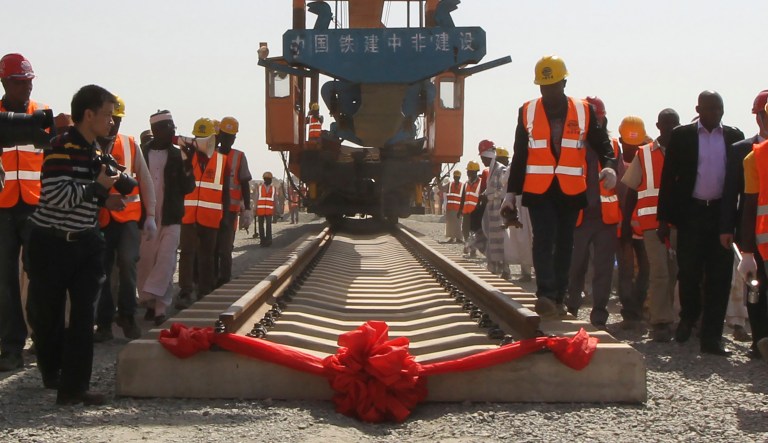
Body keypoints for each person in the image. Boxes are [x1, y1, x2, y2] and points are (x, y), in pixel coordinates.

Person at [25, 84, 122, 405]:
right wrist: (97, 189)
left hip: (86, 243)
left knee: (83, 318)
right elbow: (57, 197)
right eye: (107, 115)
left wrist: (108, 198)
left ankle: (74, 389)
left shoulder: (96, 151)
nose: (111, 121)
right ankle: (52, 373)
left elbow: (87, 194)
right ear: (88, 114)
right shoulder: (60, 147)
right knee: (47, 316)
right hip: (50, 244)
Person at [502, 55, 617, 318]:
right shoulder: (527, 111)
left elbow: (603, 144)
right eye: (544, 87)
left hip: (570, 189)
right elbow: (520, 154)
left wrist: (609, 166)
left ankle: (559, 296)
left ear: (564, 83)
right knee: (543, 239)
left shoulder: (583, 110)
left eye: (553, 86)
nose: (549, 92)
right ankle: (545, 294)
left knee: (565, 242)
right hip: (539, 188)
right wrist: (511, 193)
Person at [657, 90, 745, 356]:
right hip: (691, 214)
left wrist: (736, 222)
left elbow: (739, 183)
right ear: (698, 109)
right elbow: (668, 179)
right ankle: (688, 318)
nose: (715, 114)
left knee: (719, 278)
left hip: (721, 216)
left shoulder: (733, 137)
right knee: (689, 272)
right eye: (709, 109)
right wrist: (664, 218)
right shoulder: (683, 136)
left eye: (719, 109)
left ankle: (712, 337)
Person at [0, 53, 50, 372]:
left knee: (42, 276)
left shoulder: (42, 116)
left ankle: (43, 340)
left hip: (36, 208)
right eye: (20, 83)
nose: (27, 89)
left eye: (29, 82)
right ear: (5, 83)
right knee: (4, 280)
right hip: (3, 207)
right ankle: (11, 346)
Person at [93, 96, 156, 342]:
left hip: (128, 218)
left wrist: (150, 215)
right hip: (99, 219)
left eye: (117, 119)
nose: (113, 124)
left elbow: (146, 181)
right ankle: (104, 323)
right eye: (110, 118)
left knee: (128, 264)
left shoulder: (130, 144)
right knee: (103, 271)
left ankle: (128, 317)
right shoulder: (90, 144)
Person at [622, 108, 681, 342]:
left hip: (677, 224)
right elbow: (631, 191)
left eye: (674, 124)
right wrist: (626, 222)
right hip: (651, 224)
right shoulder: (644, 154)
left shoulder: (684, 151)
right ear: (658, 126)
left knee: (673, 272)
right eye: (666, 124)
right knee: (659, 272)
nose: (670, 128)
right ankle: (661, 322)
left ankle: (666, 315)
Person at [565, 103, 622, 330]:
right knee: (575, 267)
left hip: (605, 219)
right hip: (579, 217)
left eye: (599, 118)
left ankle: (599, 315)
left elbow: (623, 185)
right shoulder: (573, 145)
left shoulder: (614, 148)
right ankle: (571, 308)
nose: (597, 122)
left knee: (603, 269)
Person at [720, 91, 768, 357]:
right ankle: (760, 339)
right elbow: (734, 196)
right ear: (758, 117)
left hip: (758, 235)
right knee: (756, 290)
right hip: (755, 235)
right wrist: (730, 230)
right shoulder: (746, 152)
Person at [136, 111, 195, 324]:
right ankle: (149, 302)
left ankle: (160, 309)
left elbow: (188, 187)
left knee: (167, 261)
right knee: (145, 263)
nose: (173, 129)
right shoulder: (140, 153)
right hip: (146, 218)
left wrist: (189, 166)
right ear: (155, 130)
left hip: (171, 217)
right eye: (168, 126)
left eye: (173, 125)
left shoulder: (179, 155)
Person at [177, 118, 222, 309]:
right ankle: (185, 291)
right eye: (199, 137)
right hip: (188, 215)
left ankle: (205, 290)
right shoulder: (185, 156)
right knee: (187, 254)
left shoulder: (220, 160)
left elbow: (224, 191)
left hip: (210, 217)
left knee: (207, 255)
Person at [615, 116, 650, 330]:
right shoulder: (614, 161)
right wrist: (625, 224)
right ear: (621, 140)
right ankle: (629, 311)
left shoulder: (647, 158)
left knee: (646, 269)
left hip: (644, 225)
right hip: (623, 226)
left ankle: (637, 306)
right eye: (629, 144)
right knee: (626, 269)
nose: (633, 148)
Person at [214, 116, 252, 287]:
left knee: (225, 247)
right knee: (212, 247)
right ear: (219, 134)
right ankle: (210, 279)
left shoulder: (239, 156)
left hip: (230, 211)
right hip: (212, 209)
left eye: (231, 137)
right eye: (225, 135)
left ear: (234, 138)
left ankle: (224, 279)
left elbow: (244, 183)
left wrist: (248, 209)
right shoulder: (212, 154)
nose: (228, 140)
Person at [459, 161, 481, 258]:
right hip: (466, 211)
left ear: (475, 172)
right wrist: (460, 210)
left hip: (476, 212)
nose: (468, 173)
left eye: (470, 171)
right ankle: (468, 245)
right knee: (464, 230)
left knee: (474, 231)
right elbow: (463, 198)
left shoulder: (481, 182)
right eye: (468, 171)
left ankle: (472, 250)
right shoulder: (466, 183)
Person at [443, 170, 464, 243]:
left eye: (457, 177)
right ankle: (452, 238)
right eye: (455, 177)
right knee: (450, 223)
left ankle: (458, 238)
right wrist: (438, 179)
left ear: (460, 177)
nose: (456, 178)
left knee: (458, 224)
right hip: (450, 208)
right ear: (453, 177)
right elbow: (441, 188)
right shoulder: (449, 184)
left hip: (458, 209)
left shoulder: (463, 186)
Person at [256, 172, 276, 246]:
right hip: (260, 210)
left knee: (268, 226)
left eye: (269, 179)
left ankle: (268, 240)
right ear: (264, 179)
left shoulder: (273, 188)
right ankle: (262, 241)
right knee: (261, 226)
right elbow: (256, 198)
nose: (268, 180)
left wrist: (276, 211)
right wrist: (255, 209)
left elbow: (275, 200)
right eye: (267, 179)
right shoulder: (259, 187)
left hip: (269, 210)